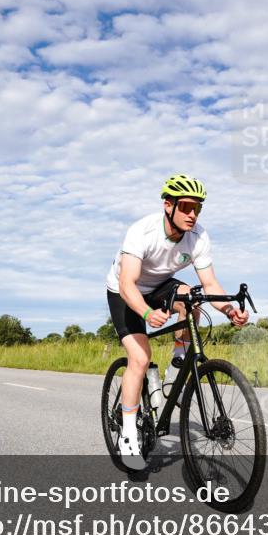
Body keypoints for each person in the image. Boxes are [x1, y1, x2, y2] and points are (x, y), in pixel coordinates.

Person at [105, 174, 249, 470]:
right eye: (186, 206)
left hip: (159, 285)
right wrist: (147, 314)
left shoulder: (198, 236)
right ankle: (129, 434)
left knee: (191, 298)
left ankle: (176, 367)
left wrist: (229, 310)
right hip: (125, 291)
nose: (192, 214)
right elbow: (127, 283)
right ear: (168, 205)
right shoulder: (142, 231)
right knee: (140, 358)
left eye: (198, 208)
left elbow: (209, 284)